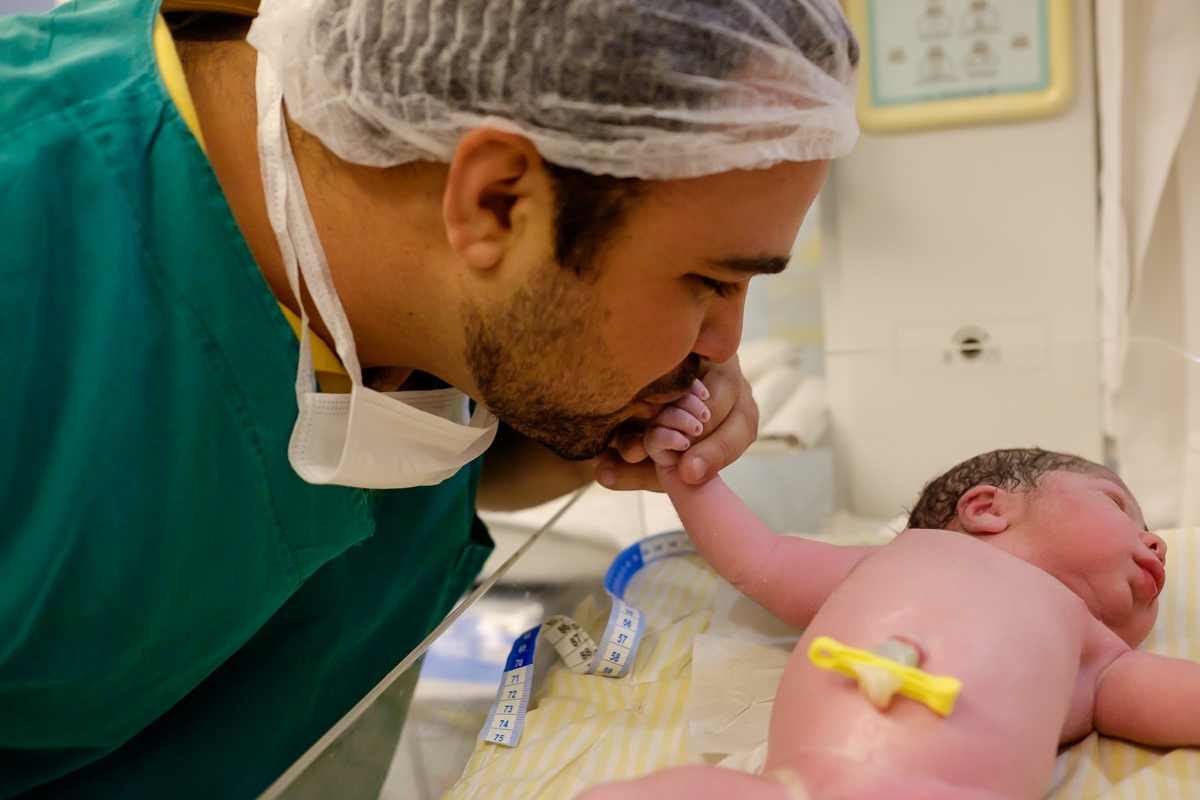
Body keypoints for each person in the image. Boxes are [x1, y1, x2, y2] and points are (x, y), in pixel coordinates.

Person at [0, 0, 859, 796]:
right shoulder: (39, 232)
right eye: (712, 281)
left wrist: (604, 423)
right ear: (494, 200)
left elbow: (379, 492)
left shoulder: (402, 232)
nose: (724, 349)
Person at [578, 414, 1198, 799]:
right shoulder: (887, 560)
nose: (1156, 540)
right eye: (1118, 506)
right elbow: (756, 556)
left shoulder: (1095, 654)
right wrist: (689, 471)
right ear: (987, 510)